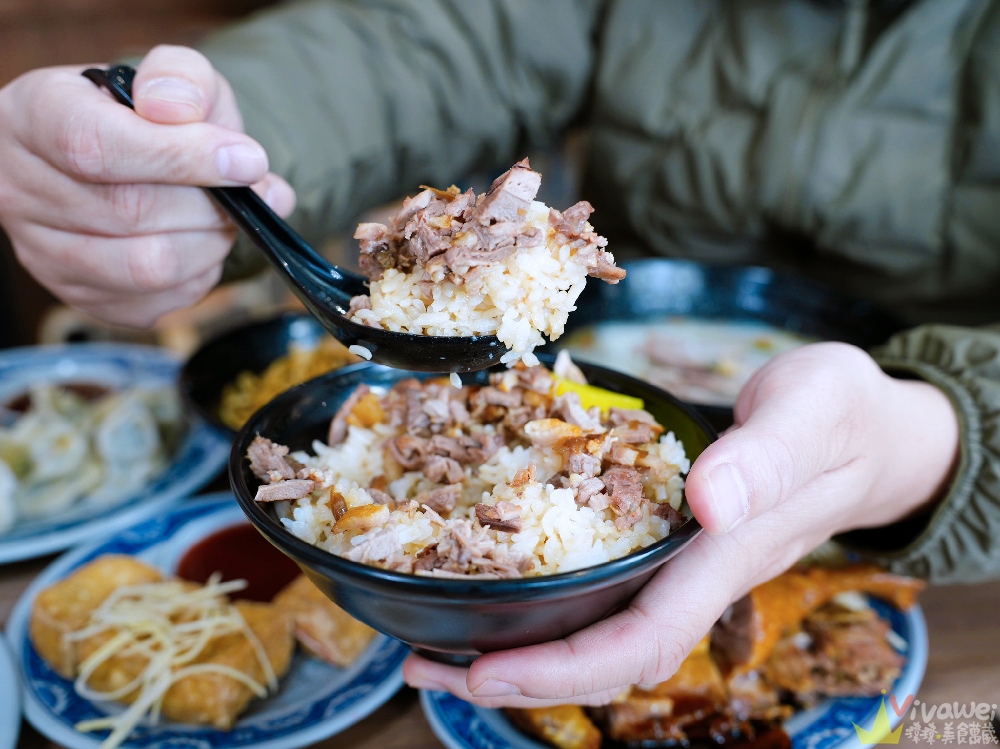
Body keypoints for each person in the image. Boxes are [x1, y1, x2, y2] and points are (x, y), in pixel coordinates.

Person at [1, 0, 997, 708]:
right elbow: (434, 40)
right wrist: (193, 144)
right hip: (593, 427)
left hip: (958, 611)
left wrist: (943, 432)